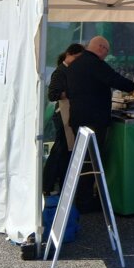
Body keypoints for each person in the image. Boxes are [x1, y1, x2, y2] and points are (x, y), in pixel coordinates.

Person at [65, 36, 134, 209]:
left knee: (82, 158)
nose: (106, 55)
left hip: (78, 118)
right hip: (94, 119)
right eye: (107, 51)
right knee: (92, 159)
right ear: (101, 48)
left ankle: (81, 197)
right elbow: (116, 80)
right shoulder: (95, 63)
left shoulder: (75, 64)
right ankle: (86, 200)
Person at [42, 43, 85, 195]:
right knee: (59, 150)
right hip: (62, 115)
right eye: (77, 58)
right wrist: (71, 92)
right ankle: (48, 183)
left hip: (70, 114)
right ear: (69, 55)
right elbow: (52, 95)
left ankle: (55, 182)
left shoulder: (71, 71)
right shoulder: (60, 72)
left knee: (64, 150)